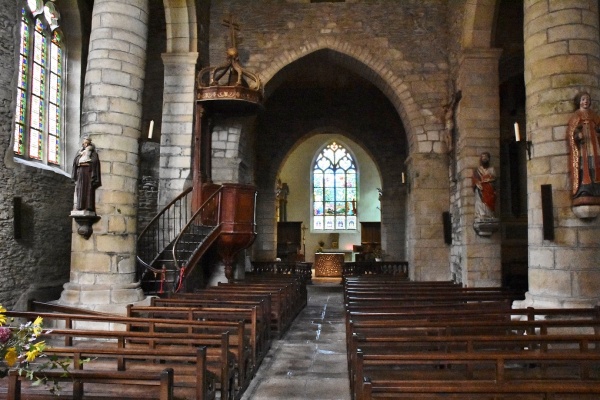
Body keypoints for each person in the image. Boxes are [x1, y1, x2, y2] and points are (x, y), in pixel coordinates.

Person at [566, 91, 600, 204]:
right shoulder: (576, 115)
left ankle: (596, 187)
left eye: (587, 99)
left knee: (595, 163)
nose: (586, 101)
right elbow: (571, 132)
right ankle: (584, 189)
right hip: (583, 145)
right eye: (583, 99)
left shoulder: (594, 115)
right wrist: (577, 135)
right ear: (579, 102)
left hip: (594, 143)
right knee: (584, 164)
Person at [72, 137, 101, 211]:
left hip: (88, 173)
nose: (85, 144)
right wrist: (80, 161)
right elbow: (76, 161)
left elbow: (95, 162)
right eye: (84, 143)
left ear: (89, 143)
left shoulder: (93, 153)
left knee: (89, 189)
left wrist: (89, 163)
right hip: (81, 173)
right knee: (80, 188)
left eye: (87, 143)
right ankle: (80, 206)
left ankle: (88, 206)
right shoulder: (80, 152)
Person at [472, 152, 497, 220]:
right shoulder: (477, 170)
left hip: (489, 189)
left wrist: (487, 179)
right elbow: (474, 179)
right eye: (483, 157)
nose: (484, 159)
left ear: (489, 159)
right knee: (480, 201)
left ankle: (489, 214)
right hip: (480, 189)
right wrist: (478, 184)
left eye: (486, 157)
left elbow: (494, 178)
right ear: (481, 159)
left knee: (489, 202)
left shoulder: (492, 169)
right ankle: (481, 214)